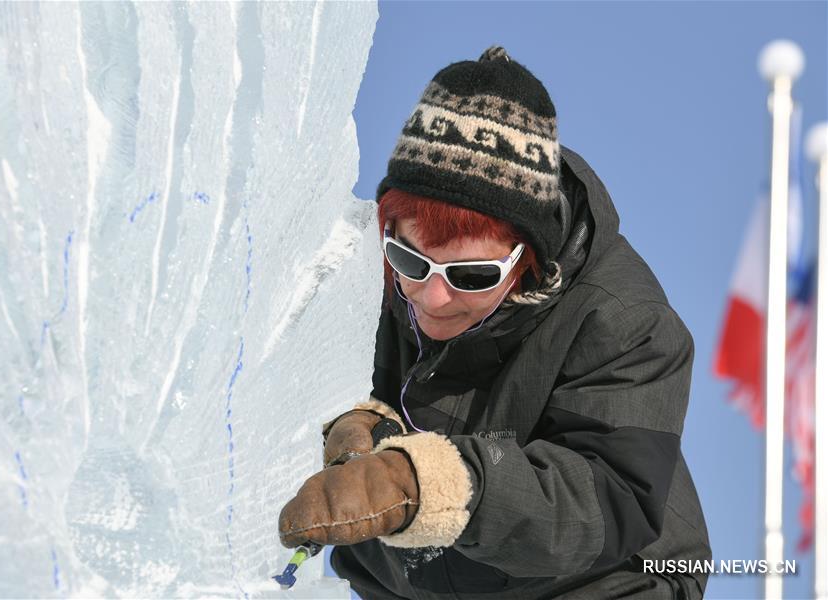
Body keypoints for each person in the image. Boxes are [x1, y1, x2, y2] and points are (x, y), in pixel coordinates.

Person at [278, 46, 711, 599]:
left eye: (473, 275)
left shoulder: (628, 323)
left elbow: (609, 498)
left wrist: (424, 483)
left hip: (601, 580)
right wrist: (355, 423)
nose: (432, 296)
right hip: (415, 584)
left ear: (528, 257)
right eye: (410, 260)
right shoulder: (367, 268)